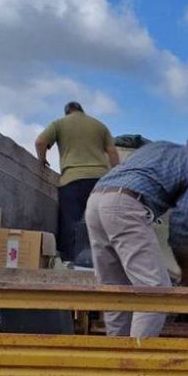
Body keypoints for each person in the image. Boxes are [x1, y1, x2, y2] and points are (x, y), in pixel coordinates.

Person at [85, 135, 188, 338]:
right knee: (155, 291)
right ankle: (138, 362)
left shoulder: (162, 147)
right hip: (125, 204)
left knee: (116, 290)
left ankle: (117, 361)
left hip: (95, 201)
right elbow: (180, 225)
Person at [35, 102, 120, 262]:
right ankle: (101, 263)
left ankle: (70, 262)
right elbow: (112, 152)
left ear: (67, 112)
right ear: (82, 110)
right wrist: (116, 175)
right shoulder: (99, 126)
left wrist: (42, 159)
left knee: (71, 223)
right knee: (98, 223)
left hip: (72, 180)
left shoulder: (59, 123)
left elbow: (40, 142)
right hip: (99, 182)